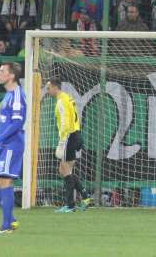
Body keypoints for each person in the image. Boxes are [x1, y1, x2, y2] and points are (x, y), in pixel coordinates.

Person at [45, 78, 91, 212]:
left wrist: (62, 140)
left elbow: (65, 121)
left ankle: (70, 205)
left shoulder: (61, 101)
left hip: (69, 137)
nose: (48, 92)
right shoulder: (67, 97)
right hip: (75, 134)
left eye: (48, 89)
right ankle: (85, 196)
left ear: (55, 87)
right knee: (65, 170)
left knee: (65, 170)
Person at [0, 62, 25, 233]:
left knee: (5, 180)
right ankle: (11, 218)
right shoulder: (8, 95)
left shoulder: (17, 95)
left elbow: (18, 122)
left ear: (11, 76)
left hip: (12, 144)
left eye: (2, 71)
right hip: (3, 144)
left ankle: (6, 226)